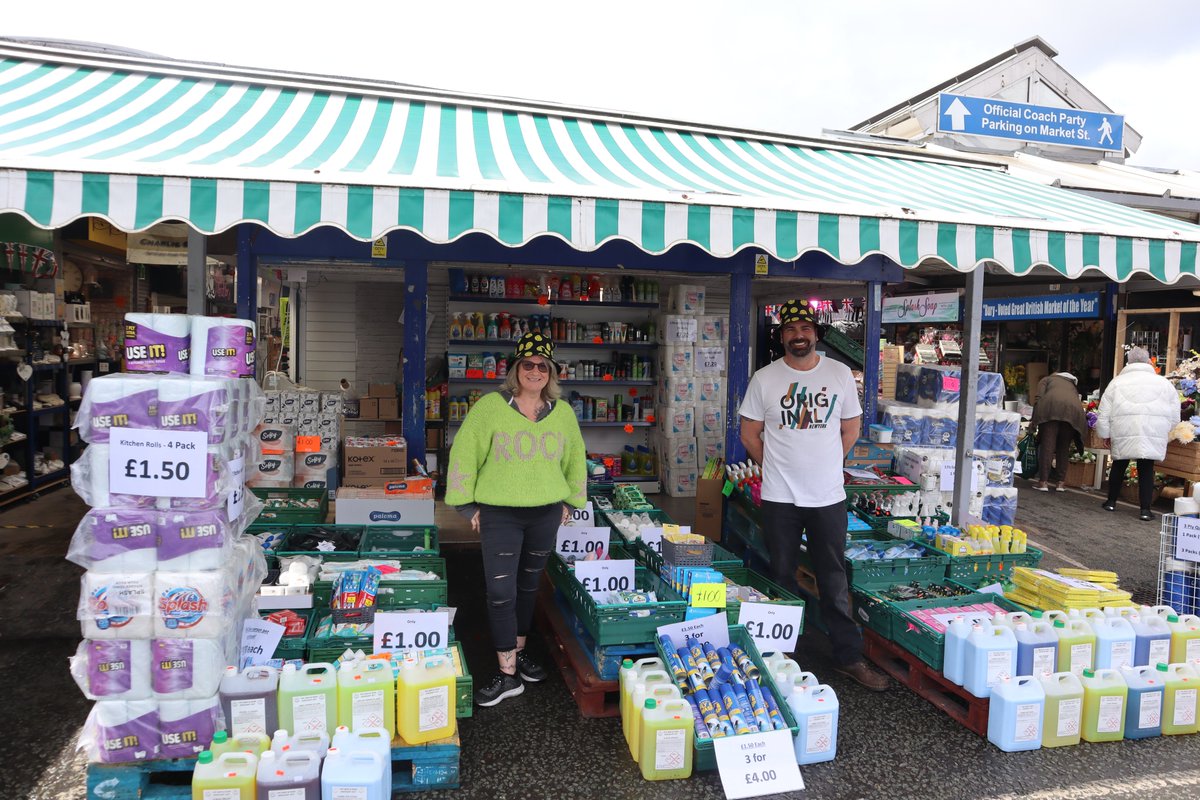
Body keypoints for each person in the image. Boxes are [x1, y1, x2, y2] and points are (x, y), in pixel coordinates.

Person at [739, 299, 888, 691]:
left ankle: (848, 657)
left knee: (832, 576)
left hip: (827, 495)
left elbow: (851, 428)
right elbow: (748, 434)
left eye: (805, 329)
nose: (798, 336)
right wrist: (775, 465)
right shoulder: (764, 379)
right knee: (782, 573)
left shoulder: (838, 374)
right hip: (779, 496)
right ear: (781, 337)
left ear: (816, 334)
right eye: (790, 330)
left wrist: (825, 462)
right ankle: (783, 656)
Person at [445, 332, 587, 706]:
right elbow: (464, 454)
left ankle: (518, 654)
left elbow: (575, 460)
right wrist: (466, 505)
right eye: (528, 364)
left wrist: (571, 501)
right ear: (515, 369)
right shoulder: (490, 408)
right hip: (500, 514)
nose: (535, 371)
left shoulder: (563, 414)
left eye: (543, 365)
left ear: (551, 372)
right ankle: (507, 674)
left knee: (528, 588)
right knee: (500, 593)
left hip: (545, 513)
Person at [1095, 346, 1180, 521]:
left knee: (1119, 465)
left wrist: (1105, 434)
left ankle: (1111, 502)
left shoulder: (1117, 382)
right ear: (1148, 361)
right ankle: (1145, 510)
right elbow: (1174, 415)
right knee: (1147, 469)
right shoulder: (1164, 383)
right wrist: (1165, 430)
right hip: (1151, 431)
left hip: (1123, 430)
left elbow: (1104, 411)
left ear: (1129, 362)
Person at [1029, 372, 1087, 491]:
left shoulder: (1047, 379)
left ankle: (1043, 482)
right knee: (1063, 448)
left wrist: (1033, 421)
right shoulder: (1071, 385)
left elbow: (1038, 398)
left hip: (1050, 410)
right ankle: (1060, 483)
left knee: (1048, 446)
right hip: (1072, 414)